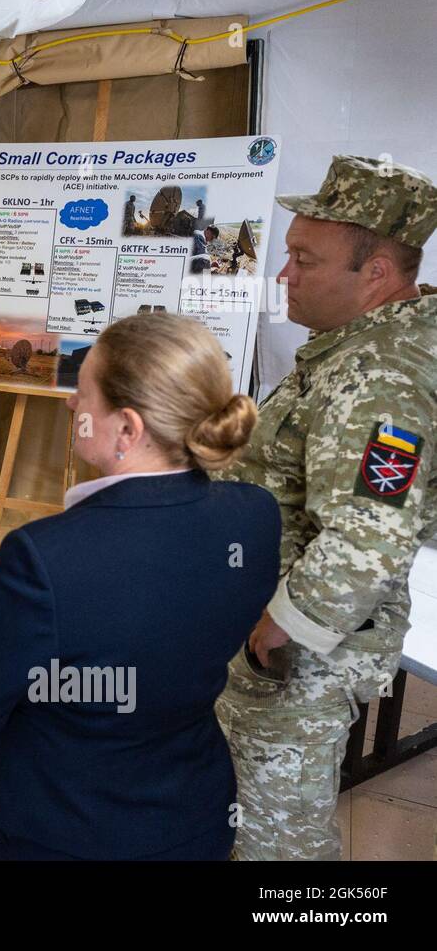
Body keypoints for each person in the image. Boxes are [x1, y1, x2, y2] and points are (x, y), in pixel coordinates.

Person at [0, 312, 281, 860]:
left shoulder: (44, 558)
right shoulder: (255, 516)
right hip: (194, 817)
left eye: (84, 391)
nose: (71, 403)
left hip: (62, 833)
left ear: (128, 428)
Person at [216, 154, 437, 860]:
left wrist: (275, 635)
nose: (284, 275)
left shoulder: (380, 378)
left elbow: (368, 538)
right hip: (275, 641)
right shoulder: (350, 349)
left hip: (295, 668)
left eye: (304, 260)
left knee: (276, 847)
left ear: (375, 275)